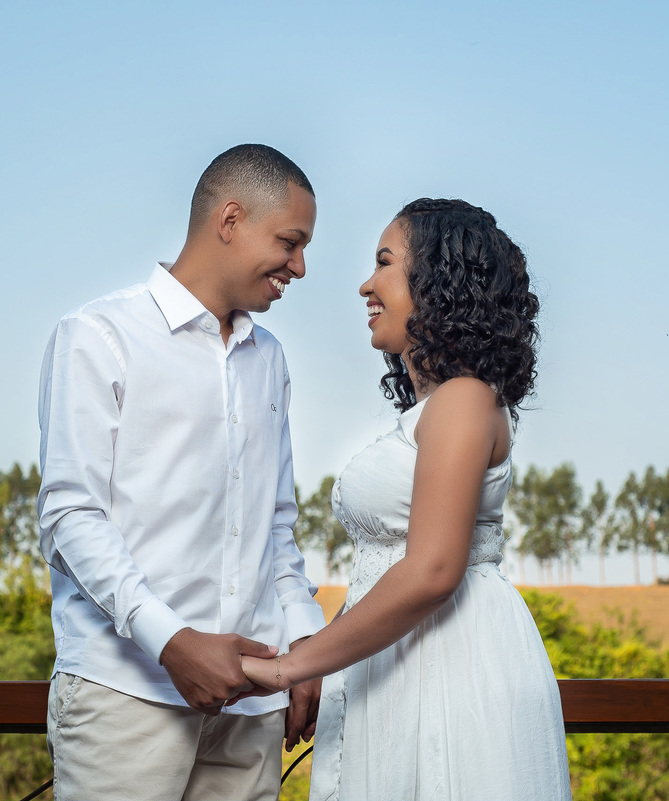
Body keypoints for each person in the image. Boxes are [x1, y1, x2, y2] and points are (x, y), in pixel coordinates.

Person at [242, 198, 573, 800]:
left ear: (438, 281)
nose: (367, 284)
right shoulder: (437, 406)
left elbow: (431, 571)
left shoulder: (465, 398)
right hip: (404, 656)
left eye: (385, 263)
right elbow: (386, 573)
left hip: (452, 660)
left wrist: (293, 666)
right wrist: (326, 658)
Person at [37, 144, 328, 801]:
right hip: (125, 696)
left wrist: (305, 642)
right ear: (230, 219)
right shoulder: (97, 335)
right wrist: (172, 644)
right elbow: (68, 516)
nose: (300, 266)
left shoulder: (270, 358)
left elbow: (276, 530)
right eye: (290, 241)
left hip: (254, 709)